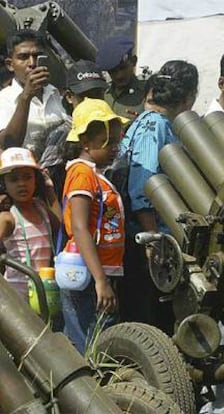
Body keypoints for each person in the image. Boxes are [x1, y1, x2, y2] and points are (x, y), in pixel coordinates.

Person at [119, 60, 198, 334]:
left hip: (151, 237)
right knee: (151, 323)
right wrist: (154, 242)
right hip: (147, 240)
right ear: (189, 97)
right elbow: (144, 186)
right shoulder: (156, 125)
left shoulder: (148, 122)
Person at [61, 98, 128, 354]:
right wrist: (100, 280)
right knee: (96, 346)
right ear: (85, 142)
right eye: (107, 141)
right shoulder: (81, 173)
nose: (114, 148)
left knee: (92, 339)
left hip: (98, 271)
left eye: (116, 142)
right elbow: (79, 228)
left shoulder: (95, 173)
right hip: (89, 275)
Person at [39, 59, 108, 200]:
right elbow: (46, 181)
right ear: (69, 97)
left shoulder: (112, 127)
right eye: (84, 96)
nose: (91, 102)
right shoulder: (63, 133)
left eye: (96, 95)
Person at [0, 147, 59, 300]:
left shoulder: (41, 208)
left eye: (27, 177)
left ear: (36, 179)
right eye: (14, 180)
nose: (22, 184)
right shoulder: (8, 218)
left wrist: (49, 191)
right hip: (18, 298)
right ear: (4, 184)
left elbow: (60, 225)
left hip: (45, 293)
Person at [0, 29, 68, 159]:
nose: (32, 63)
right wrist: (25, 98)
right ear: (10, 65)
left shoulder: (55, 94)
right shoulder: (3, 100)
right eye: (23, 57)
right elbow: (8, 145)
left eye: (37, 56)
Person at [96, 36, 146, 123]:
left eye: (123, 68)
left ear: (134, 61)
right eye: (112, 71)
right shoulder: (103, 95)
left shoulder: (147, 94)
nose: (119, 76)